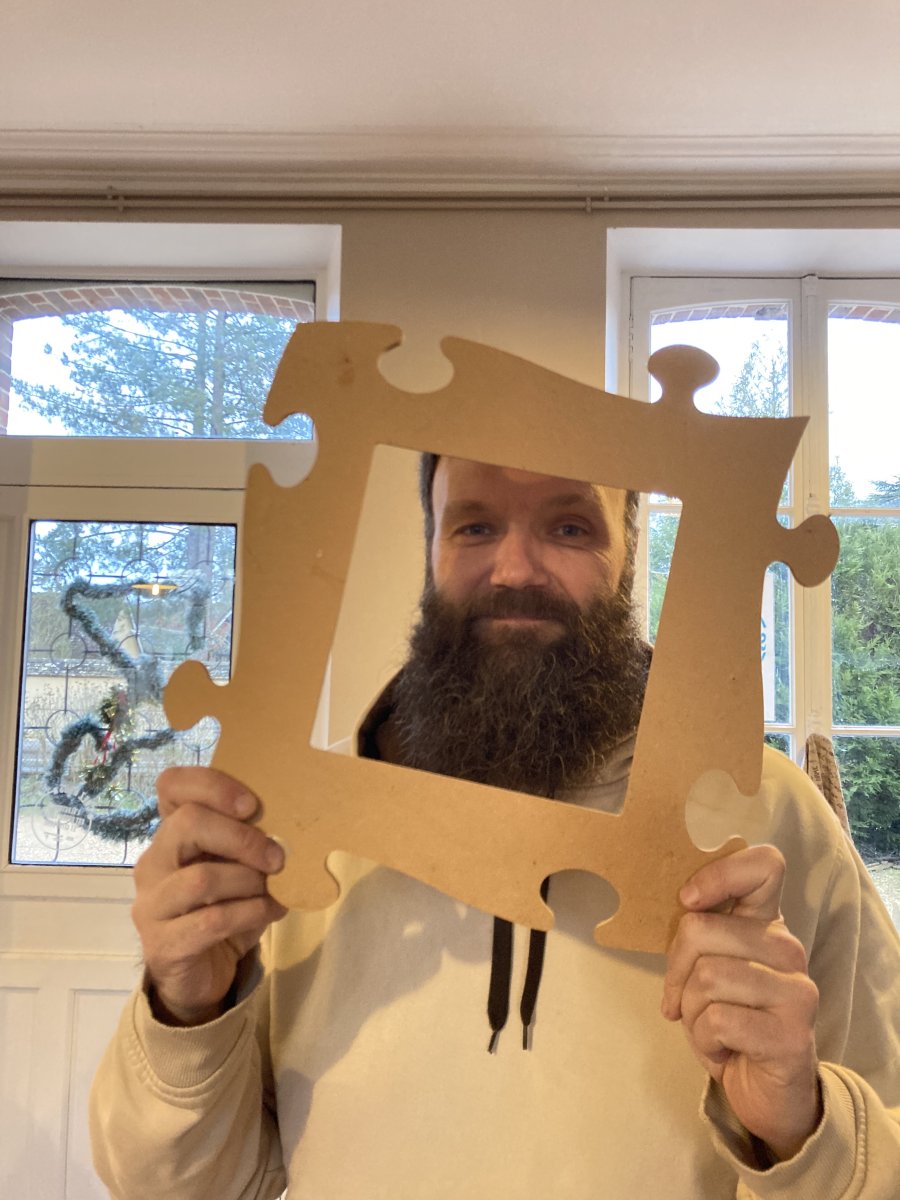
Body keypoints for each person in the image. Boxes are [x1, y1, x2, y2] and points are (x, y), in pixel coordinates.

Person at [90, 455, 900, 1199]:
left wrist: (802, 1130)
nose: (515, 570)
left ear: (629, 556)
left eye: (570, 527)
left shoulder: (774, 819)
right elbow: (184, 1188)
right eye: (475, 525)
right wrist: (187, 1013)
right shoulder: (293, 829)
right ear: (432, 550)